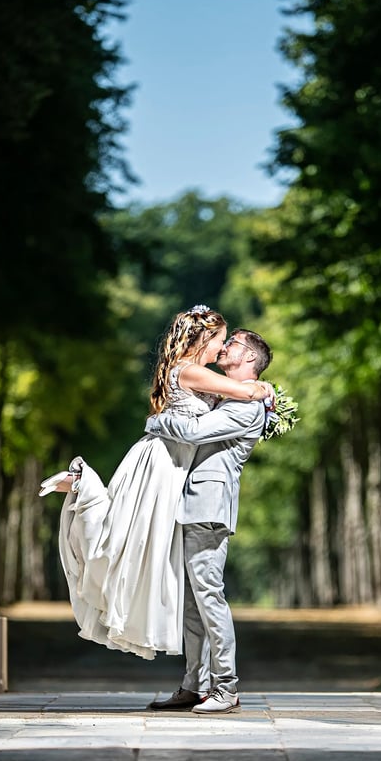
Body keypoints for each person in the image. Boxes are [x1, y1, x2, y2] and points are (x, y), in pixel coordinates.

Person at [46, 305, 275, 662]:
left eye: (228, 342)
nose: (222, 348)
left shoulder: (192, 370)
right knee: (128, 538)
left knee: (135, 540)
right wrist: (265, 389)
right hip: (163, 461)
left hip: (173, 464)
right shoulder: (191, 370)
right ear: (203, 338)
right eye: (219, 339)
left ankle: (83, 488)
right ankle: (84, 488)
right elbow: (244, 396)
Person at [145, 327, 273, 714]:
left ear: (250, 358)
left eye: (233, 343)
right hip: (191, 502)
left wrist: (154, 422)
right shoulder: (229, 398)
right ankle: (194, 683)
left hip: (209, 506)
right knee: (192, 601)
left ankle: (226, 687)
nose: (225, 346)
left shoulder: (247, 405)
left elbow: (196, 432)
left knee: (209, 596)